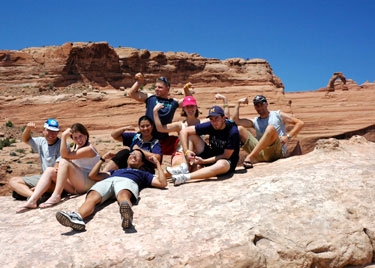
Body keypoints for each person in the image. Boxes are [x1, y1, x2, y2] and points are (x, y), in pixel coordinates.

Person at [55, 149, 167, 231]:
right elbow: (93, 175)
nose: (133, 155)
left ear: (141, 163)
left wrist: (157, 163)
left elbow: (162, 183)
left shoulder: (143, 174)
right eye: (132, 154)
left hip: (128, 181)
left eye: (137, 155)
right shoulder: (115, 171)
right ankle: (78, 217)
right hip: (110, 180)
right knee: (93, 196)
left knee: (123, 194)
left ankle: (126, 215)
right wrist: (102, 159)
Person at [170, 105, 241, 186]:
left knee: (222, 164)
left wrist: (204, 161)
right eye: (211, 119)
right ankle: (184, 167)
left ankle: (185, 177)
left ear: (223, 118)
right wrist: (186, 152)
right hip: (212, 154)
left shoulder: (232, 131)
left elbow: (226, 155)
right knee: (191, 136)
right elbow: (184, 131)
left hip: (226, 161)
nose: (214, 122)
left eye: (217, 118)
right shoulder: (211, 125)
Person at [36, 123, 101, 208]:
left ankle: (56, 195)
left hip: (88, 183)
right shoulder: (76, 146)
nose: (79, 140)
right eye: (75, 138)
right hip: (76, 185)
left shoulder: (88, 149)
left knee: (64, 161)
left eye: (80, 136)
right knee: (50, 170)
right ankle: (33, 200)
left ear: (85, 135)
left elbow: (64, 155)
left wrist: (63, 137)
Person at [232, 95, 304, 168]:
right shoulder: (255, 121)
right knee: (239, 129)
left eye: (261, 104)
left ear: (266, 104)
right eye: (257, 105)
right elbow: (235, 121)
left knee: (270, 128)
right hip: (261, 153)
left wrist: (288, 137)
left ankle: (250, 157)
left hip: (276, 152)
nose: (260, 107)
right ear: (255, 107)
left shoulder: (277, 115)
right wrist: (238, 103)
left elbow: (300, 123)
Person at [127, 73, 192, 155]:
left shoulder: (173, 102)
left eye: (160, 87)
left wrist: (186, 90)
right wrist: (139, 82)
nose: (156, 89)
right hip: (147, 138)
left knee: (185, 141)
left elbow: (189, 101)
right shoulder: (150, 97)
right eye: (156, 87)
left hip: (163, 139)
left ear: (167, 89)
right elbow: (132, 94)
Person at [9, 118, 61, 200]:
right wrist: (28, 129)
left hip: (57, 181)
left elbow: (55, 171)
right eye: (49, 130)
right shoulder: (41, 142)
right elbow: (26, 139)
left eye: (54, 131)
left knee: (46, 180)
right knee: (13, 181)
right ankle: (35, 196)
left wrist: (39, 186)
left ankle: (30, 194)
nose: (51, 134)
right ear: (43, 130)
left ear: (58, 132)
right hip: (43, 178)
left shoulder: (62, 145)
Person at [153, 95, 203, 175]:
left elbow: (223, 121)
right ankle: (157, 177)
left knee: (196, 169)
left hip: (197, 155)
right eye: (187, 107)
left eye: (192, 106)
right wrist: (155, 112)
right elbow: (160, 129)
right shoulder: (179, 125)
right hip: (181, 154)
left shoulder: (203, 124)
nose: (190, 109)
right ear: (184, 109)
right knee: (176, 169)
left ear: (196, 107)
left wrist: (225, 102)